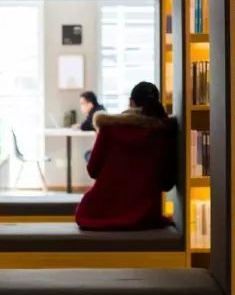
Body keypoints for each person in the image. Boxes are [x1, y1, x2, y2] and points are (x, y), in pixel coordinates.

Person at [75, 81, 177, 230]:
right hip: (145, 216)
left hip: (101, 212)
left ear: (131, 102)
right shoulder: (163, 133)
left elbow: (93, 171)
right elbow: (167, 183)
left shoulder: (109, 128)